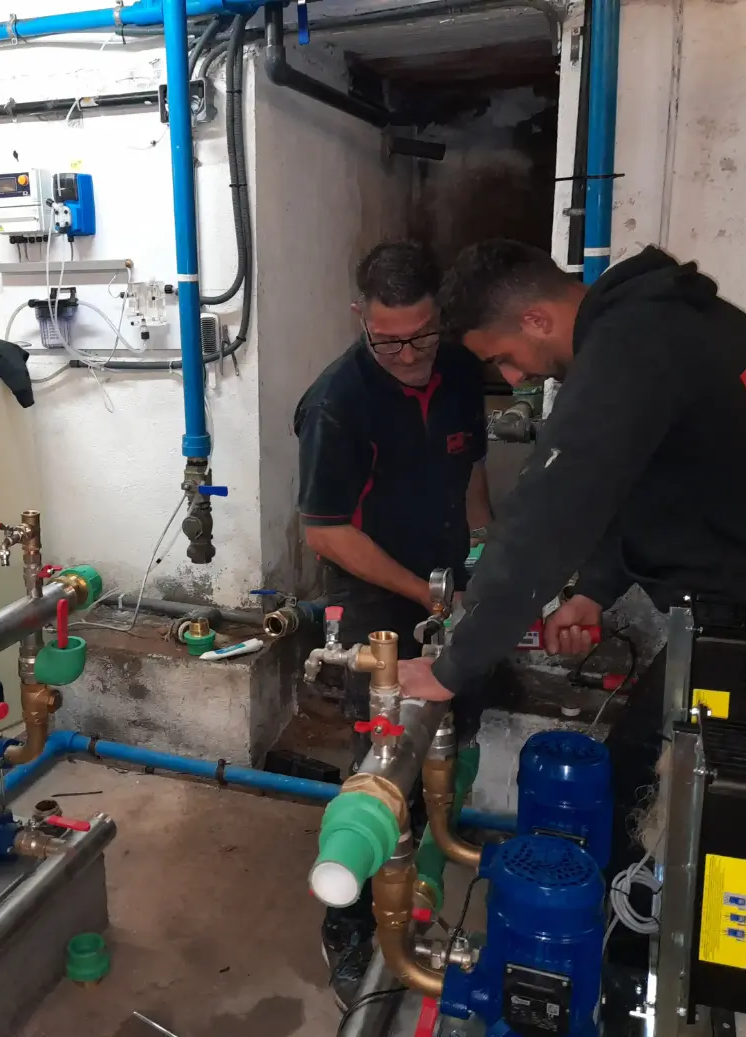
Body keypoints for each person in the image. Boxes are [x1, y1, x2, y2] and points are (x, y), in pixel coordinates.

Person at [398, 240, 746, 903]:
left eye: (500, 356)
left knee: (692, 820)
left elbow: (543, 518)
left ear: (534, 319)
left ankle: (629, 966)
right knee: (657, 793)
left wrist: (450, 670)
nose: (516, 375)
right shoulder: (665, 322)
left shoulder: (629, 349)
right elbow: (648, 475)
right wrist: (594, 590)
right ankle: (645, 944)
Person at [293, 241, 493, 1006]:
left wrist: (485, 552)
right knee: (380, 762)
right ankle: (348, 929)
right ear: (360, 320)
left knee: (452, 730)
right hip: (376, 596)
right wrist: (423, 593)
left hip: (448, 579)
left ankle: (431, 860)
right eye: (389, 339)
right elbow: (325, 530)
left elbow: (470, 468)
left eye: (422, 334)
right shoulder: (338, 401)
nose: (408, 354)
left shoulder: (461, 373)